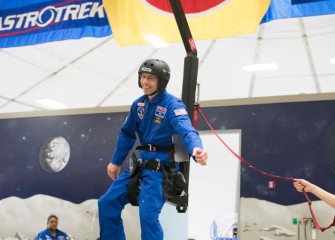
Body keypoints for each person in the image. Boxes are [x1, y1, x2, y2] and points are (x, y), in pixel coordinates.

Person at [98, 59, 208, 240]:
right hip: (140, 167)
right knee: (106, 202)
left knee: (148, 216)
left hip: (161, 172)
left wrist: (197, 149)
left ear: (161, 81)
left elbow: (186, 130)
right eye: (142, 77)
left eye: (150, 78)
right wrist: (116, 161)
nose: (145, 82)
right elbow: (127, 134)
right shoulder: (138, 105)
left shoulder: (173, 105)